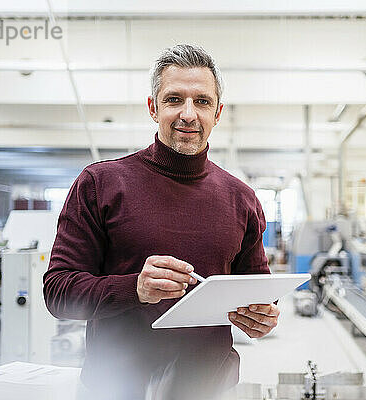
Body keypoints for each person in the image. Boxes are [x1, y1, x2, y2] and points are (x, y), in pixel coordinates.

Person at [43, 44, 279, 400]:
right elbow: (58, 291)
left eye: (202, 101)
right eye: (174, 100)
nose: (188, 114)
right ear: (153, 108)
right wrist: (133, 289)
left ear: (218, 113)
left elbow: (259, 290)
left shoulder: (241, 198)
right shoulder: (100, 183)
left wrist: (262, 316)